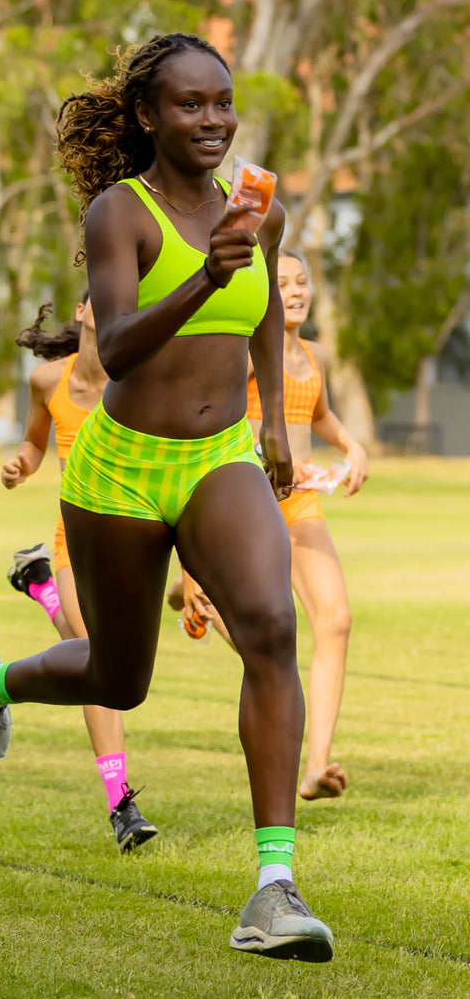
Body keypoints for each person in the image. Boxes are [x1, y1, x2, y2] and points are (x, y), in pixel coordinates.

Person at [0, 32, 335, 962]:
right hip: (119, 467)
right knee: (121, 679)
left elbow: (268, 330)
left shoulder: (258, 208)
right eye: (191, 105)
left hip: (219, 457)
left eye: (223, 102)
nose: (213, 120)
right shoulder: (120, 212)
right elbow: (112, 347)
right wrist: (208, 273)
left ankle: (274, 889)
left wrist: (276, 423)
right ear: (149, 116)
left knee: (271, 629)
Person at [173, 250, 368, 800]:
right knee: (264, 640)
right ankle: (196, 590)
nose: (297, 290)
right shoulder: (251, 354)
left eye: (302, 280)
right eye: (282, 282)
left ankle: (317, 767)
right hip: (248, 505)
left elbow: (319, 413)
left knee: (336, 619)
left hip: (301, 503)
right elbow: (212, 420)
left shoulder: (314, 354)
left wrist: (352, 446)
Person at [3, 295, 158, 851]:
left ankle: (40, 586)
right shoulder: (47, 380)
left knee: (100, 648)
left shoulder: (139, 376)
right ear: (84, 308)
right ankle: (122, 804)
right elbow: (34, 442)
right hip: (78, 535)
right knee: (96, 656)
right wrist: (21, 463)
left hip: (138, 534)